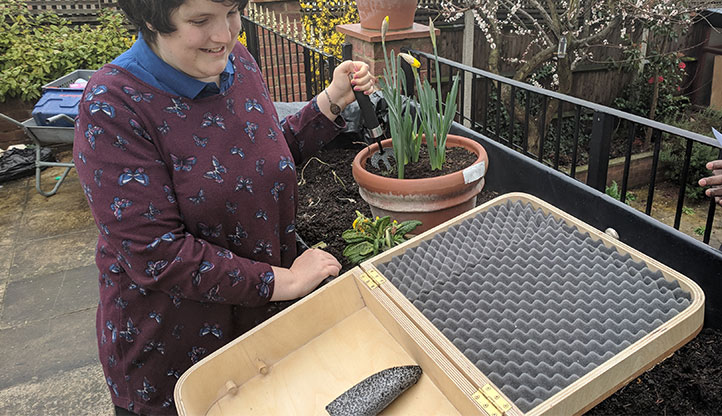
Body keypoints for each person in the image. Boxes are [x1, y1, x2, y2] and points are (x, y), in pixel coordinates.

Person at [72, 0, 375, 414]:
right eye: (200, 21)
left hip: (261, 335)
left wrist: (332, 101)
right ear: (150, 19)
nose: (224, 35)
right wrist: (283, 282)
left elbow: (258, 156)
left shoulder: (237, 61)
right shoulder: (113, 105)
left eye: (232, 11)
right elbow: (157, 254)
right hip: (176, 355)